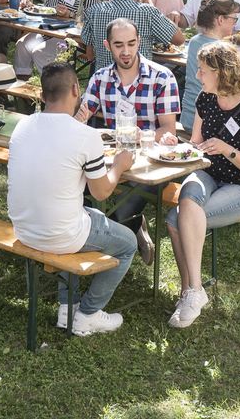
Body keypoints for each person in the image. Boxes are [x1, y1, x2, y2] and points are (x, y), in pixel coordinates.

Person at [8, 61, 137, 336]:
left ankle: (68, 307)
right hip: (59, 235)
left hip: (23, 229)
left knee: (93, 217)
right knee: (129, 243)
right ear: (76, 90)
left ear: (42, 96)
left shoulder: (22, 126)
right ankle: (87, 315)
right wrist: (119, 166)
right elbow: (101, 192)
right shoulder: (86, 136)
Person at [167, 41, 240, 328]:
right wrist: (176, 145)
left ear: (222, 72)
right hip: (209, 172)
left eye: (202, 71)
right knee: (187, 200)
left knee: (177, 219)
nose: (197, 76)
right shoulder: (206, 98)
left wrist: (228, 149)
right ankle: (194, 291)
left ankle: (190, 291)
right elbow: (197, 145)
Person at [76, 18, 181, 264]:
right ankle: (103, 250)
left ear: (139, 43)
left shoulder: (161, 77)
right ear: (107, 46)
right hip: (113, 160)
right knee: (76, 197)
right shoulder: (101, 77)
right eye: (119, 45)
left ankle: (119, 247)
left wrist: (142, 135)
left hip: (150, 163)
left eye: (131, 44)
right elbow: (82, 115)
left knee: (118, 215)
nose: (126, 51)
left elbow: (168, 128)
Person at [80, 0, 183, 72]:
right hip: (140, 82)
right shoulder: (148, 12)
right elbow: (179, 40)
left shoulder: (94, 10)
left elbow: (90, 56)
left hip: (105, 82)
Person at [180, 0, 240, 130]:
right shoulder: (223, 50)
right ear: (220, 20)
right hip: (209, 123)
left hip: (188, 117)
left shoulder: (194, 41)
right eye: (233, 18)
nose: (235, 23)